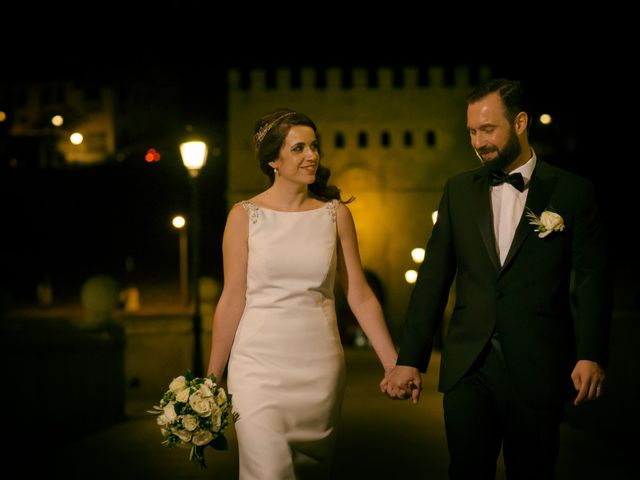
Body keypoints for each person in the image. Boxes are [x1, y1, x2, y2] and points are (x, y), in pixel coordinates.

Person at [382, 78, 611, 479]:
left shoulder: (573, 193)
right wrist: (409, 360)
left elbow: (592, 279)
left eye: (488, 129)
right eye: (472, 131)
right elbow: (433, 277)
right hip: (468, 370)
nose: (478, 141)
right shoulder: (457, 192)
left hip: (539, 367)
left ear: (520, 122)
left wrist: (590, 352)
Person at [207, 108, 397, 479]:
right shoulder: (244, 216)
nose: (311, 156)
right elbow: (231, 299)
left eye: (314, 146)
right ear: (273, 160)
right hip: (257, 370)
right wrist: (211, 379)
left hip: (319, 370)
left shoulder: (335, 214)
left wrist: (392, 363)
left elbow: (359, 294)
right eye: (298, 149)